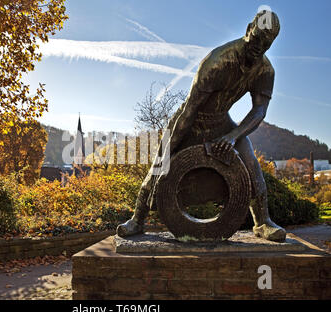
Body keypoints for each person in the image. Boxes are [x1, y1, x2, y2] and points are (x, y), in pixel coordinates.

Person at [117, 10, 286, 242]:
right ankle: (138, 219)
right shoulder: (218, 61)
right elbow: (189, 111)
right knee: (159, 164)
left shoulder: (265, 71)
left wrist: (233, 136)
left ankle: (263, 222)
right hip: (190, 119)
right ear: (248, 29)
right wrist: (167, 155)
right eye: (256, 38)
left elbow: (259, 111)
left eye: (266, 43)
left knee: (251, 165)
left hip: (222, 122)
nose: (259, 46)